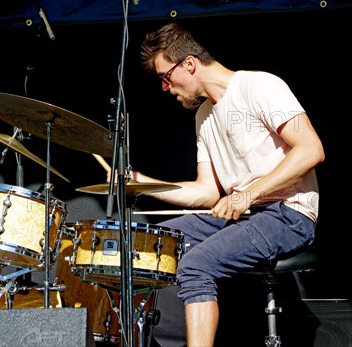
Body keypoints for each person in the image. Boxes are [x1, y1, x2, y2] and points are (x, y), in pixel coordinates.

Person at [122, 22, 325, 346]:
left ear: (189, 63)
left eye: (165, 77)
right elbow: (206, 193)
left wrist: (248, 194)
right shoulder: (203, 116)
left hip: (288, 214)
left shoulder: (260, 86)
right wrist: (142, 183)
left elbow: (311, 149)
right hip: (243, 215)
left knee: (195, 266)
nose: (164, 87)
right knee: (148, 243)